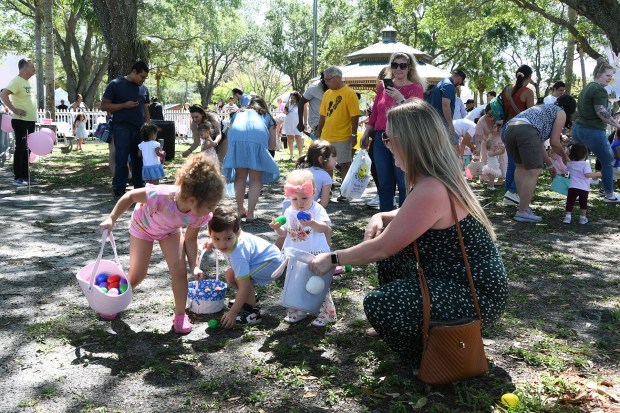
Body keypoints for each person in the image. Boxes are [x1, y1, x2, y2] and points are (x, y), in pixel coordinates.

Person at [308, 99, 508, 369]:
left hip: (477, 297)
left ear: (409, 141)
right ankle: (416, 325)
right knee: (394, 247)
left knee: (380, 304)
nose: (386, 145)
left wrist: (331, 258)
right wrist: (381, 215)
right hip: (459, 284)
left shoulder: (431, 188)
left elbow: (382, 248)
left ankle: (428, 357)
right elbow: (408, 217)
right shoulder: (435, 178)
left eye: (388, 138)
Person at [98, 155, 224, 332]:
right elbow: (130, 196)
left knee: (180, 272)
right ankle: (115, 301)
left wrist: (194, 266)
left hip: (169, 231)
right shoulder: (162, 195)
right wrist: (111, 219)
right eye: (211, 206)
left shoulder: (199, 213)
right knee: (137, 275)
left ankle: (180, 315)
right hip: (143, 227)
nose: (212, 210)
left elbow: (190, 238)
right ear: (192, 201)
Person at [270, 169, 336, 327]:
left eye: (304, 198)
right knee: (295, 282)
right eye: (294, 199)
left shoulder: (317, 209)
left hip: (315, 253)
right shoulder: (289, 211)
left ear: (313, 192)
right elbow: (284, 233)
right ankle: (298, 309)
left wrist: (312, 222)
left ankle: (328, 313)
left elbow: (324, 228)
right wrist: (277, 228)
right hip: (296, 253)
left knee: (317, 284)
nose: (299, 203)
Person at [361, 52, 426, 212]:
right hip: (381, 138)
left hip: (403, 138)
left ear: (409, 68)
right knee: (384, 183)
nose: (398, 68)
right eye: (395, 65)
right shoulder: (383, 86)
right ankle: (385, 218)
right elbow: (375, 112)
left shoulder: (415, 88)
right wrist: (366, 133)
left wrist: (401, 99)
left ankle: (404, 220)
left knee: (404, 182)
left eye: (402, 65)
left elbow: (417, 114)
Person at [205, 206, 284, 328]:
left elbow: (244, 284)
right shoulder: (230, 239)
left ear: (237, 232)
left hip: (272, 264)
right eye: (216, 238)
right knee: (230, 275)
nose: (221, 244)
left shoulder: (238, 254)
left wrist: (233, 312)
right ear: (210, 233)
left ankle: (252, 312)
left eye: (227, 238)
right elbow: (221, 236)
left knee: (240, 279)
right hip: (263, 260)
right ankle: (250, 299)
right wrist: (211, 242)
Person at [504, 95, 576, 222]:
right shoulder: (561, 112)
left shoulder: (543, 108)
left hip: (510, 129)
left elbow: (539, 142)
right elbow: (554, 142)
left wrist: (550, 164)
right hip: (526, 130)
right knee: (534, 171)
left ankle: (523, 208)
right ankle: (522, 211)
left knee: (520, 167)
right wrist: (565, 157)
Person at [222, 96, 279, 221]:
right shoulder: (267, 116)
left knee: (240, 177)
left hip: (237, 139)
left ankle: (240, 209)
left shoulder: (239, 113)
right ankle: (251, 214)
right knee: (256, 179)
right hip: (257, 139)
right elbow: (272, 145)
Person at [571, 58, 620, 203]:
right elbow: (601, 112)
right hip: (593, 131)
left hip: (578, 129)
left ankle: (575, 191)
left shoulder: (588, 87)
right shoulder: (599, 90)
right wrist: (617, 125)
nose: (610, 79)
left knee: (578, 161)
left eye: (611, 76)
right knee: (608, 160)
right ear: (598, 74)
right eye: (607, 76)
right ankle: (609, 194)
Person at [101, 61, 151, 201]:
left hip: (140, 129)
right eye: (141, 76)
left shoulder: (144, 89)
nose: (143, 80)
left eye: (145, 78)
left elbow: (146, 109)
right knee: (121, 160)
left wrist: (147, 124)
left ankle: (139, 192)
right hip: (122, 128)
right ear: (133, 71)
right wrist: (124, 105)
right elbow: (104, 106)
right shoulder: (116, 84)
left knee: (139, 160)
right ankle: (119, 192)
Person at [315, 66, 361, 193]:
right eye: (325, 79)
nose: (325, 82)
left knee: (344, 164)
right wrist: (319, 131)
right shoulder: (327, 94)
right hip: (327, 135)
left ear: (338, 78)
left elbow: (355, 115)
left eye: (328, 79)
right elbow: (323, 115)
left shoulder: (349, 93)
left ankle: (344, 191)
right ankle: (326, 190)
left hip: (343, 136)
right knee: (326, 163)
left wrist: (353, 134)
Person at [0, 58, 39, 187]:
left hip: (30, 120)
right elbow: (4, 94)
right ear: (23, 68)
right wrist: (14, 109)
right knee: (21, 148)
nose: (34, 69)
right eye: (31, 67)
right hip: (20, 121)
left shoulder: (29, 82)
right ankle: (17, 178)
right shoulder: (16, 81)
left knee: (28, 149)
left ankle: (26, 176)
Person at [500, 65, 536, 206]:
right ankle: (513, 192)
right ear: (528, 77)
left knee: (512, 165)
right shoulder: (528, 92)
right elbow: (532, 113)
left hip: (505, 128)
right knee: (524, 165)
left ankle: (509, 194)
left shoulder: (507, 89)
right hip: (520, 130)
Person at [563, 144, 601, 225]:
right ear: (585, 154)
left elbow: (565, 165)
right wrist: (598, 174)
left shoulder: (571, 163)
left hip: (572, 186)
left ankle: (567, 217)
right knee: (583, 203)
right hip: (583, 188)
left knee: (570, 202)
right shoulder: (585, 164)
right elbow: (587, 175)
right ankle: (582, 218)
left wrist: (565, 155)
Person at [428, 68, 467, 146]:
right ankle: (455, 158)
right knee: (454, 143)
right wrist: (450, 124)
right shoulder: (449, 86)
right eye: (460, 82)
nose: (459, 84)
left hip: (434, 118)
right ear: (460, 78)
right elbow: (445, 105)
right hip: (441, 120)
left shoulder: (442, 83)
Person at [284, 91, 303, 160]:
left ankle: (300, 155)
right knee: (289, 138)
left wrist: (304, 123)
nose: (292, 99)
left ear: (297, 98)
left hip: (297, 123)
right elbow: (285, 112)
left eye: (293, 98)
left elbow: (304, 113)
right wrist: (286, 105)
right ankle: (291, 155)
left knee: (298, 137)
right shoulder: (289, 103)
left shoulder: (301, 103)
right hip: (288, 122)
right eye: (291, 98)